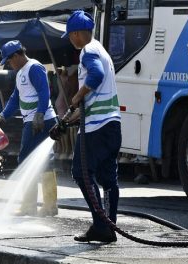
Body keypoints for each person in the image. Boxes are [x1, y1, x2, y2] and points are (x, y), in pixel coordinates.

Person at [61, 10, 122, 242]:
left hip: (96, 128)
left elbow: (94, 77)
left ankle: (100, 225)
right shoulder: (102, 50)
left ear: (77, 33)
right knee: (108, 179)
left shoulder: (88, 51)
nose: (69, 40)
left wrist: (77, 95)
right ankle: (109, 228)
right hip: (111, 125)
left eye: (69, 35)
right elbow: (96, 100)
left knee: (81, 172)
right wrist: (66, 121)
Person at [0, 40, 58, 217]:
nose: (9, 65)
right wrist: (3, 116)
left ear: (17, 55)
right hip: (35, 120)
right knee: (41, 159)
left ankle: (32, 206)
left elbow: (45, 92)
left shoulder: (34, 67)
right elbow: (15, 98)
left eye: (10, 61)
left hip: (41, 121)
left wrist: (40, 115)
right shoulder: (21, 71)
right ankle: (48, 205)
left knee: (26, 158)